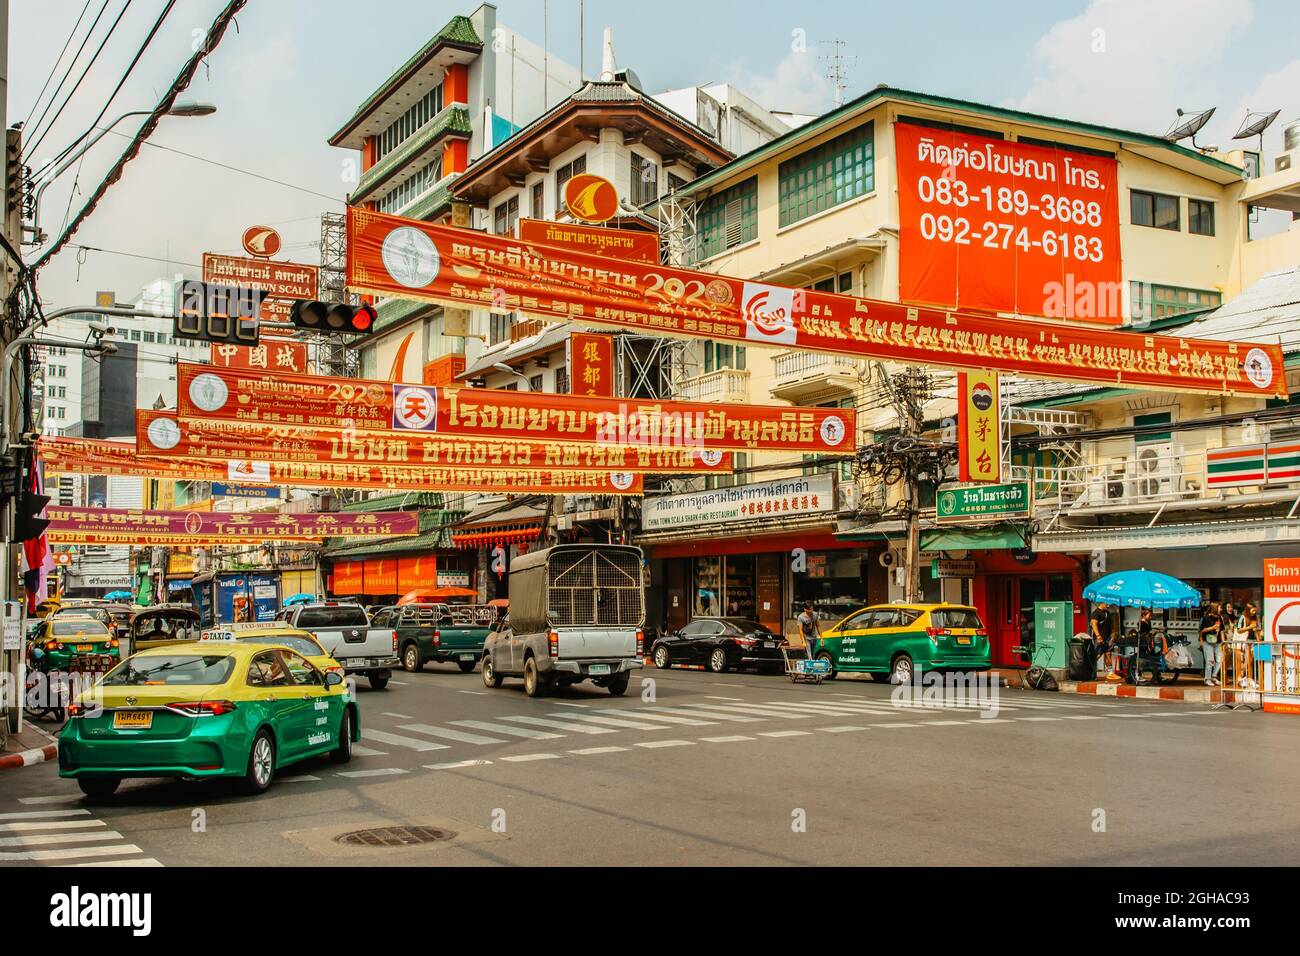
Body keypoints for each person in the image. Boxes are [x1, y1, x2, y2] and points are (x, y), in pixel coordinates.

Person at [1090, 602, 1116, 680]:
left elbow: (1110, 625)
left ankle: (1110, 673)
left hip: (1108, 637)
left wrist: (1112, 634)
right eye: (1106, 604)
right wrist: (1098, 636)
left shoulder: (1107, 612)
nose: (1108, 605)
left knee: (1108, 654)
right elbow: (1094, 624)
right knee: (1097, 655)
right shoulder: (1096, 613)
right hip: (1099, 638)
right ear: (1101, 603)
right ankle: (1090, 673)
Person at [1199, 601, 1222, 686]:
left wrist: (1223, 642)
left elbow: (1222, 630)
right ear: (1215, 608)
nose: (1221, 609)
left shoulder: (1220, 618)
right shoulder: (1206, 618)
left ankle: (1214, 677)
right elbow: (1201, 631)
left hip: (1218, 642)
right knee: (1210, 661)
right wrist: (1212, 628)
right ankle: (1207, 679)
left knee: (1220, 660)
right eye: (1219, 607)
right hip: (1208, 642)